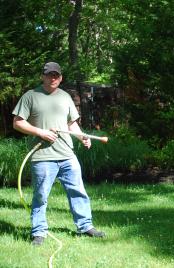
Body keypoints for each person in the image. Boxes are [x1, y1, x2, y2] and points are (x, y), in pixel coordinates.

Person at [12, 62, 105, 246]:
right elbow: (17, 122)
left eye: (56, 75)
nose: (52, 78)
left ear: (61, 77)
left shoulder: (65, 97)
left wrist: (82, 137)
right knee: (40, 196)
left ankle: (85, 226)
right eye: (49, 75)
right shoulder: (30, 96)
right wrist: (41, 132)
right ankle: (39, 232)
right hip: (43, 157)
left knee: (78, 191)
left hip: (67, 155)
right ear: (42, 76)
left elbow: (71, 124)